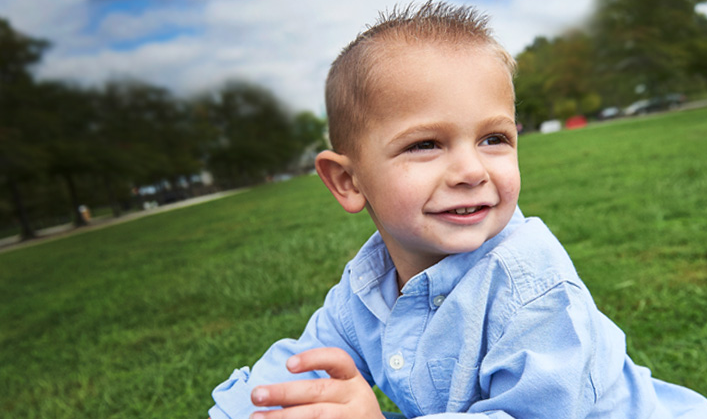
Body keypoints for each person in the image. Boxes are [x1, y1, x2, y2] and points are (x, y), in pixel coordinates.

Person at [208, 2, 707, 418]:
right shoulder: (365, 287)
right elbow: (303, 365)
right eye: (426, 144)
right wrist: (252, 407)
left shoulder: (531, 286)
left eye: (494, 138)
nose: (471, 169)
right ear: (347, 180)